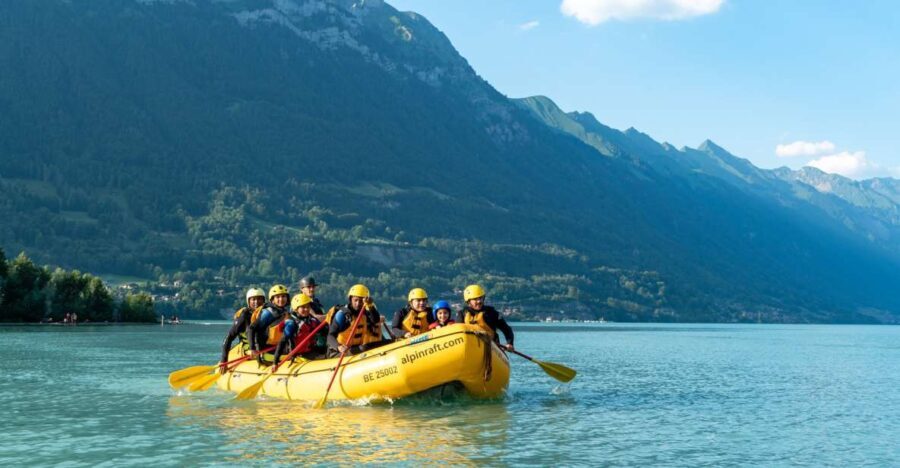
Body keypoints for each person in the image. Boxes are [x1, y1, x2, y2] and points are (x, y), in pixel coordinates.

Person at [326, 284, 386, 358]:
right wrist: (339, 347)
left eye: (361, 301)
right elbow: (330, 336)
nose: (358, 304)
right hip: (337, 352)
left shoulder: (364, 313)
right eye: (356, 300)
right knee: (365, 348)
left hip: (355, 348)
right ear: (351, 299)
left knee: (380, 344)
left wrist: (370, 305)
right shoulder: (343, 315)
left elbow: (375, 320)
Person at [218, 287, 266, 373]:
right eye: (253, 299)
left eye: (259, 299)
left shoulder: (267, 314)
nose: (256, 302)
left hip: (263, 349)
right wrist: (224, 360)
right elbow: (229, 338)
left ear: (264, 300)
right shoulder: (244, 316)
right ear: (248, 301)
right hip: (246, 350)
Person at [273, 293, 327, 364]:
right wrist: (275, 362)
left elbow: (325, 331)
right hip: (298, 355)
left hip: (311, 351)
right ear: (296, 309)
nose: (306, 309)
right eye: (303, 307)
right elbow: (282, 342)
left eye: (308, 307)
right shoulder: (291, 323)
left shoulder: (312, 320)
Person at [457, 284, 514, 351]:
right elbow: (457, 333)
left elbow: (507, 329)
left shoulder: (492, 313)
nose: (479, 301)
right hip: (470, 347)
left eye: (480, 298)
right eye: (475, 299)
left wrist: (510, 343)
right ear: (468, 301)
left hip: (491, 348)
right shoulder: (462, 314)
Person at [248, 284, 292, 365]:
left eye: (283, 296)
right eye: (277, 297)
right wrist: (252, 348)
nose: (281, 299)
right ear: (272, 300)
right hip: (267, 352)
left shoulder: (285, 313)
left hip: (278, 348)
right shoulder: (268, 313)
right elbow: (251, 328)